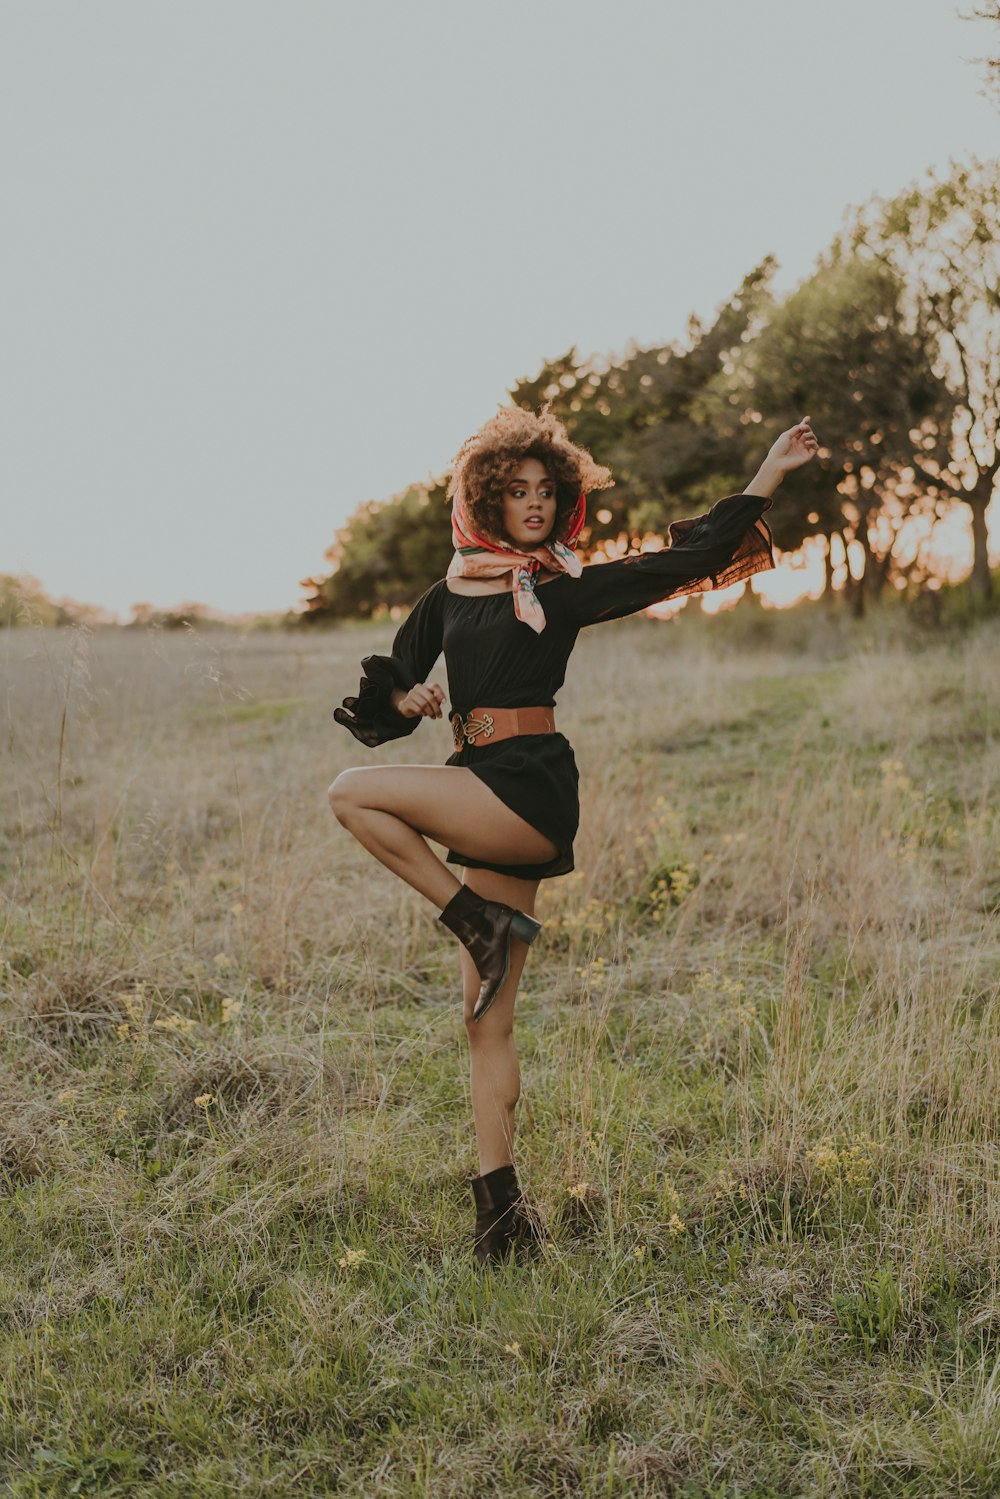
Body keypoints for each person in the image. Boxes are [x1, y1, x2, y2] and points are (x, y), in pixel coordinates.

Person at [329, 404, 819, 1264]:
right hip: (473, 786)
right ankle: (503, 1221)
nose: (534, 505)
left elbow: (683, 562)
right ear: (485, 497)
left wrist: (766, 475)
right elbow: (392, 689)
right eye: (516, 491)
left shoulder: (558, 588)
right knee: (485, 1021)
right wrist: (408, 699)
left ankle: (472, 918)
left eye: (547, 493)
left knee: (350, 796)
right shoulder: (447, 596)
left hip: (526, 788)